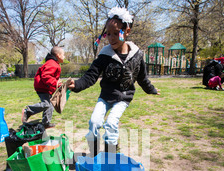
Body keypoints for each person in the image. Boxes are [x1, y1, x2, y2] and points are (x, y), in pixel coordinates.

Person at [68, 6, 159, 155]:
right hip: (106, 96)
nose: (111, 38)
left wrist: (151, 89)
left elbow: (142, 77)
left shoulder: (136, 55)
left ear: (127, 31)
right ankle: (95, 154)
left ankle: (111, 155)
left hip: (123, 97)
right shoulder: (105, 55)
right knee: (94, 122)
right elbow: (91, 76)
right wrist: (76, 84)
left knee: (110, 123)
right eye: (108, 34)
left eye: (116, 33)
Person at [21, 46, 65, 129]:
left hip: (46, 87)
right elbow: (46, 76)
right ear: (58, 55)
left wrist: (58, 83)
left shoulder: (54, 63)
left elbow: (51, 76)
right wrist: (55, 82)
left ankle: (46, 123)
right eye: (63, 54)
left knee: (50, 104)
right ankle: (28, 111)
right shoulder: (52, 63)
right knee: (46, 104)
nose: (64, 56)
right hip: (42, 87)